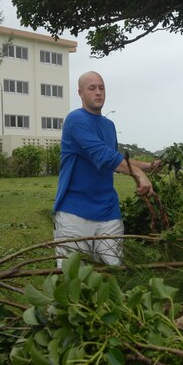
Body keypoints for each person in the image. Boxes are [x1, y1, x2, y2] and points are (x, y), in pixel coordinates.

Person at [52, 71, 158, 267]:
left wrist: (148, 166)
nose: (98, 92)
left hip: (108, 213)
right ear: (80, 93)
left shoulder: (109, 125)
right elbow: (102, 155)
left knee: (112, 275)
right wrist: (139, 174)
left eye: (101, 88)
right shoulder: (75, 120)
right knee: (73, 279)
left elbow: (114, 161)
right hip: (74, 213)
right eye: (92, 88)